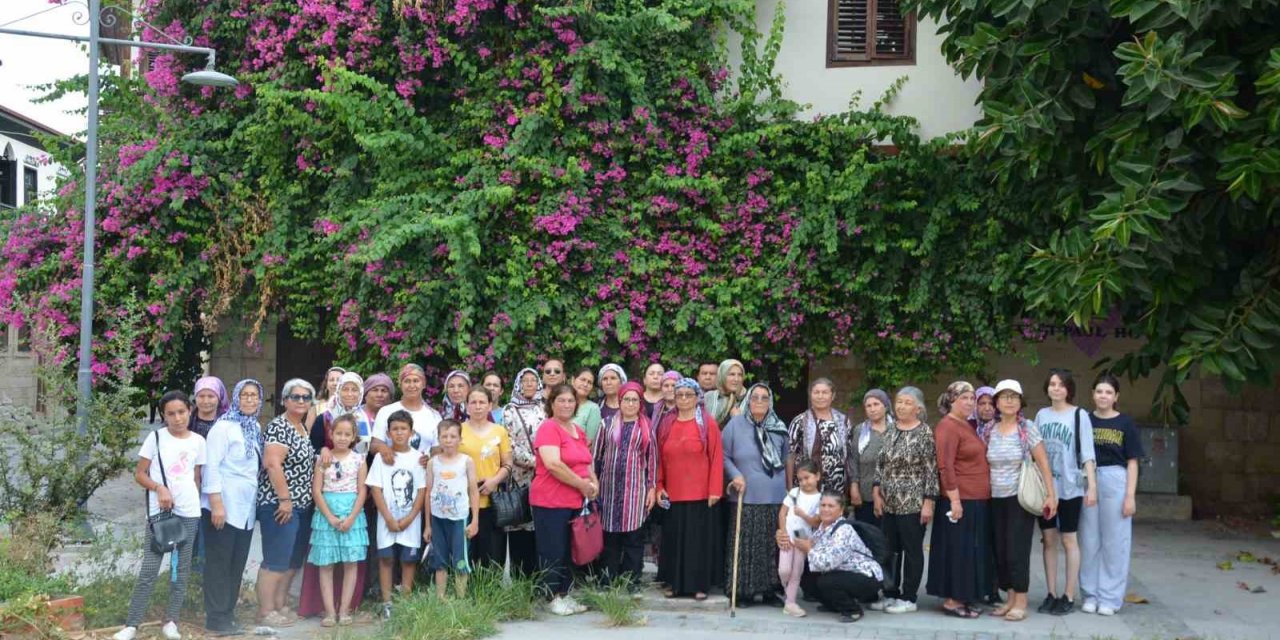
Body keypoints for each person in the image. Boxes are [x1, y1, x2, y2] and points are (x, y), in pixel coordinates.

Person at [113, 391, 205, 640]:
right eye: (171, 413)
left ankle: (171, 621)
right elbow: (140, 473)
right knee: (150, 568)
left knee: (181, 569)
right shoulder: (155, 438)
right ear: (164, 416)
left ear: (190, 411)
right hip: (159, 512)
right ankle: (132, 624)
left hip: (188, 512)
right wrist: (159, 488)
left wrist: (194, 499)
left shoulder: (198, 441)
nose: (177, 418)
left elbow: (196, 477)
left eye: (182, 412)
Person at [980, 379, 1056, 622]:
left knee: (1017, 550)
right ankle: (1010, 599)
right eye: (1004, 397)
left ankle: (1021, 600)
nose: (1009, 401)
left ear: (1020, 401)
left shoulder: (1027, 427)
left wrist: (1051, 495)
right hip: (994, 498)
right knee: (1000, 550)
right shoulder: (988, 429)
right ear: (996, 403)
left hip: (1019, 498)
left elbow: (1043, 463)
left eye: (1014, 396)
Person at [200, 379, 264, 636]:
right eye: (245, 395)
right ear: (236, 398)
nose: (249, 400)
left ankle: (228, 613)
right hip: (223, 506)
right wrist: (216, 504)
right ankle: (215, 617)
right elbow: (211, 466)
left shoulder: (254, 427)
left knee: (236, 563)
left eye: (254, 396)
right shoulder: (223, 427)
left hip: (245, 508)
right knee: (219, 563)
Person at [926, 381, 994, 619]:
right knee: (957, 551)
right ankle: (953, 600)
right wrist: (955, 501)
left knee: (968, 551)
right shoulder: (948, 426)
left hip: (976, 498)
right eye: (963, 397)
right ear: (951, 400)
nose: (969, 402)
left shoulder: (965, 425)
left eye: (971, 398)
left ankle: (964, 595)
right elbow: (945, 466)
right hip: (960, 499)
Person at [255, 378, 318, 627]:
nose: (301, 401)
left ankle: (279, 604)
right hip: (279, 505)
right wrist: (284, 499)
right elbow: (272, 463)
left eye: (305, 397)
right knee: (276, 559)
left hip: (300, 506)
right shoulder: (279, 426)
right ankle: (265, 610)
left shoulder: (301, 428)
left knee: (291, 560)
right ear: (284, 400)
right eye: (295, 397)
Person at [1079, 373, 1144, 617]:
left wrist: (1130, 496)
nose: (1103, 396)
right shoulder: (1085, 419)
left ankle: (1109, 597)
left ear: (1116, 396)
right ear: (1093, 394)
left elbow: (1133, 462)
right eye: (1099, 391)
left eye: (1108, 392)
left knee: (1115, 542)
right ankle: (1090, 594)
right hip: (1088, 478)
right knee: (1089, 539)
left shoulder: (1125, 423)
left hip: (1116, 480)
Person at [1035, 369, 1097, 616]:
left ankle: (1069, 594)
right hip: (1046, 488)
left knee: (1069, 539)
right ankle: (1051, 593)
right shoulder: (1041, 415)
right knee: (1048, 539)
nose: (1056, 388)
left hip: (1070, 488)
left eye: (1061, 385)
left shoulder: (1079, 415)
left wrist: (1091, 487)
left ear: (1069, 389)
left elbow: (1088, 454)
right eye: (1052, 384)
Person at [870, 386, 937, 614]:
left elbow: (930, 470)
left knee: (912, 550)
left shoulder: (925, 432)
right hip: (889, 502)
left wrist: (928, 502)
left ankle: (908, 598)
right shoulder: (890, 429)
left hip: (913, 503)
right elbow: (881, 464)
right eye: (899, 401)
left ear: (918, 408)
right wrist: (876, 492)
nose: (901, 406)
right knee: (889, 549)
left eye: (907, 403)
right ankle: (890, 593)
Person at [532, 384, 597, 616]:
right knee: (553, 550)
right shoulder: (548, 428)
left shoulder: (577, 430)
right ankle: (550, 597)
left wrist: (593, 482)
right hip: (551, 500)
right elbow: (553, 464)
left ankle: (565, 594)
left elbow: (587, 461)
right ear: (551, 404)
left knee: (570, 550)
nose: (566, 405)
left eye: (570, 401)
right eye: (561, 401)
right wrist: (582, 485)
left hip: (575, 501)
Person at [656, 378, 724, 600]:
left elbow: (716, 457)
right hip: (673, 492)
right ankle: (674, 584)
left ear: (697, 398)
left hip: (700, 493)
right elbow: (658, 458)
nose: (683, 399)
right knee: (673, 540)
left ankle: (698, 586)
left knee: (697, 542)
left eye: (688, 395)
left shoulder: (707, 423)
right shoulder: (667, 423)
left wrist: (715, 489)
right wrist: (659, 485)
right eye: (680, 395)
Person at [722, 382, 787, 607]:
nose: (759, 401)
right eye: (755, 397)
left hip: (775, 495)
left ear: (770, 402)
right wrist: (735, 475)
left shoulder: (779, 426)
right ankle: (744, 591)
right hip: (745, 495)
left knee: (771, 546)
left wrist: (789, 491)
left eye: (764, 398)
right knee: (746, 546)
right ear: (748, 400)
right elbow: (724, 455)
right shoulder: (735, 425)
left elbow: (786, 459)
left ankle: (769, 591)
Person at [593, 381, 657, 588]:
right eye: (626, 399)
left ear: (641, 403)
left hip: (635, 491)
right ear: (620, 402)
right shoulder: (607, 424)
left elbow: (653, 461)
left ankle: (631, 580)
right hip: (609, 490)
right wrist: (593, 484)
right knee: (609, 537)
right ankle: (607, 579)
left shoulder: (647, 428)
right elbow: (596, 456)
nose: (630, 404)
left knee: (633, 538)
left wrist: (651, 488)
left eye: (634, 400)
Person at [307, 415, 368, 627]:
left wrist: (351, 517)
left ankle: (344, 610)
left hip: (352, 513)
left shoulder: (359, 460)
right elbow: (316, 489)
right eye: (338, 433)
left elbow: (362, 491)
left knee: (351, 563)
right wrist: (330, 517)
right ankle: (330, 612)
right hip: (326, 513)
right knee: (326, 564)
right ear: (331, 434)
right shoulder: (323, 459)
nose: (342, 438)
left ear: (353, 437)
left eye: (347, 434)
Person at [366, 410, 427, 619]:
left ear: (411, 432)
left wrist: (410, 517)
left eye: (403, 429)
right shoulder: (382, 459)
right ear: (388, 432)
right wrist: (389, 518)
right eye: (395, 429)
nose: (399, 433)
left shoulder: (419, 459)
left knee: (408, 561)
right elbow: (375, 489)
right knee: (386, 559)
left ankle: (406, 602)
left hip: (411, 521)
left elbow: (421, 490)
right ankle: (387, 603)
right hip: (387, 520)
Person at [790, 492, 884, 624]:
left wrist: (808, 549)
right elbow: (816, 551)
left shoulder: (843, 530)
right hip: (844, 572)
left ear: (840, 510)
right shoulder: (823, 527)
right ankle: (834, 605)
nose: (825, 509)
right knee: (805, 572)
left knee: (827, 581)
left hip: (866, 576)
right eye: (823, 505)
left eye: (831, 506)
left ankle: (853, 610)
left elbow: (828, 563)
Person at [425, 420, 481, 599]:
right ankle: (440, 599)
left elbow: (473, 491)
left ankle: (460, 599)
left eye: (452, 436)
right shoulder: (433, 463)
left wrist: (475, 521)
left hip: (460, 518)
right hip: (438, 518)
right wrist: (428, 524)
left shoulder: (466, 462)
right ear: (439, 438)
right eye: (444, 436)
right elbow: (428, 493)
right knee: (439, 560)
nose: (448, 440)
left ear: (460, 439)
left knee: (460, 560)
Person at [458, 387, 512, 568]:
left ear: (490, 406)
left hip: (491, 500)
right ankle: (464, 591)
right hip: (462, 500)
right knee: (466, 552)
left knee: (491, 551)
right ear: (466, 406)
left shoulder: (499, 432)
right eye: (473, 402)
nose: (478, 406)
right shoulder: (458, 430)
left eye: (482, 402)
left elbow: (508, 464)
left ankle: (489, 592)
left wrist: (494, 481)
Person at [504, 367, 547, 576]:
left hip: (544, 476)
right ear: (518, 384)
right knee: (519, 525)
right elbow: (508, 443)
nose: (529, 384)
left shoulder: (545, 409)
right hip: (519, 477)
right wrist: (533, 462)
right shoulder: (509, 410)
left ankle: (538, 577)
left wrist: (544, 462)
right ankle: (519, 577)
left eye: (533, 380)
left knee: (539, 527)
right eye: (525, 381)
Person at [786, 378, 851, 495]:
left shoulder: (843, 421)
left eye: (825, 392)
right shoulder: (800, 421)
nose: (820, 396)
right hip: (807, 487)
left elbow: (849, 454)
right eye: (816, 392)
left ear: (833, 395)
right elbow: (790, 456)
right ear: (810, 395)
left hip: (836, 488)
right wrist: (790, 488)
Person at [372, 364, 442, 465]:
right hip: (390, 470)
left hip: (422, 474)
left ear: (423, 384)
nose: (411, 385)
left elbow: (437, 449)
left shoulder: (434, 416)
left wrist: (430, 460)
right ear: (400, 384)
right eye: (407, 381)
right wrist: (383, 449)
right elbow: (375, 444)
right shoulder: (386, 411)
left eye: (416, 381)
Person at [776, 461, 821, 617]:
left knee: (797, 570)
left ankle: (790, 602)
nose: (803, 482)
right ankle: (785, 588)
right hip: (789, 533)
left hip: (802, 536)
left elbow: (816, 521)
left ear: (817, 476)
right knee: (784, 570)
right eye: (800, 479)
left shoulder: (819, 498)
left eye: (807, 478)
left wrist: (803, 515)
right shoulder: (794, 492)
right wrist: (782, 532)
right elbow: (782, 513)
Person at [847, 389, 893, 527]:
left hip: (892, 493)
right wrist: (854, 487)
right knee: (867, 536)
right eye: (868, 406)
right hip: (865, 493)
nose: (872, 409)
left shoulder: (896, 429)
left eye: (876, 404)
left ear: (885, 406)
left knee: (888, 538)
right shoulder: (860, 431)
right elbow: (853, 459)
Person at [703, 359, 746, 427]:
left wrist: (738, 419)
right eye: (732, 374)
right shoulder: (709, 397)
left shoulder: (750, 399)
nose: (736, 379)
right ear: (722, 376)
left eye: (740, 375)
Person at [571, 367, 603, 444]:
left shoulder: (593, 409)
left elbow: (590, 443)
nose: (585, 384)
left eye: (589, 382)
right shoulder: (561, 402)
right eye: (582, 380)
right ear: (573, 380)